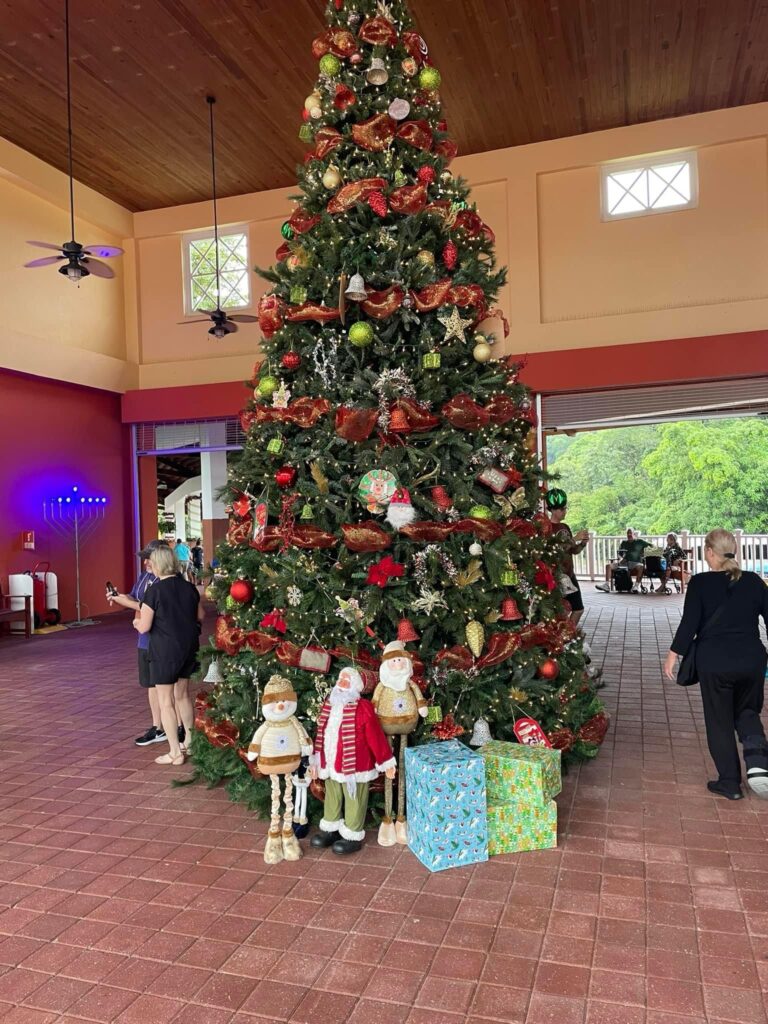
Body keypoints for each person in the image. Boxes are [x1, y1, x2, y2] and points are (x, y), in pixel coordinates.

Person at [663, 529, 768, 800]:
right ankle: (758, 763)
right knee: (747, 712)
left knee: (719, 720)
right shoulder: (754, 582)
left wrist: (674, 654)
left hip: (715, 662)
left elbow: (690, 623)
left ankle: (730, 783)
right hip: (751, 659)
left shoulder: (700, 583)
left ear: (710, 552)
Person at [107, 539, 181, 748]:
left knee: (169, 687)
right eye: (145, 558)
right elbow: (136, 597)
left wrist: (127, 603)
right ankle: (158, 727)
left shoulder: (167, 581)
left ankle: (175, 728)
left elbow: (152, 606)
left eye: (150, 558)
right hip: (144, 638)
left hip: (161, 638)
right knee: (150, 684)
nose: (146, 562)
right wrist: (120, 596)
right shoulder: (145, 577)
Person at [134, 545, 203, 766]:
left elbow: (144, 626)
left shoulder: (153, 591)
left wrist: (136, 622)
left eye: (151, 562)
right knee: (183, 696)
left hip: (164, 651)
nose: (148, 566)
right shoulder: (189, 587)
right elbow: (200, 615)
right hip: (188, 647)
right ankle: (190, 742)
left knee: (166, 702)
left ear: (157, 565)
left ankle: (175, 752)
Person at [545, 489, 588, 625]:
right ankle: (561, 638)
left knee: (578, 609)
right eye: (562, 509)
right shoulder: (547, 528)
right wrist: (574, 538)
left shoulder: (565, 526)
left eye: (565, 508)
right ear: (554, 510)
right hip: (557, 576)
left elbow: (573, 550)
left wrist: (582, 544)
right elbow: (555, 550)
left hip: (570, 574)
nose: (565, 512)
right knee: (561, 611)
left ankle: (568, 635)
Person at [596, 528, 650, 593]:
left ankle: (636, 586)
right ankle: (606, 585)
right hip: (624, 562)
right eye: (628, 533)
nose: (629, 534)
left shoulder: (640, 542)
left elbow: (652, 546)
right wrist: (621, 558)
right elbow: (619, 553)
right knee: (608, 566)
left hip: (635, 563)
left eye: (630, 533)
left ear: (634, 534)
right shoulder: (624, 543)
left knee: (641, 566)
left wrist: (644, 553)